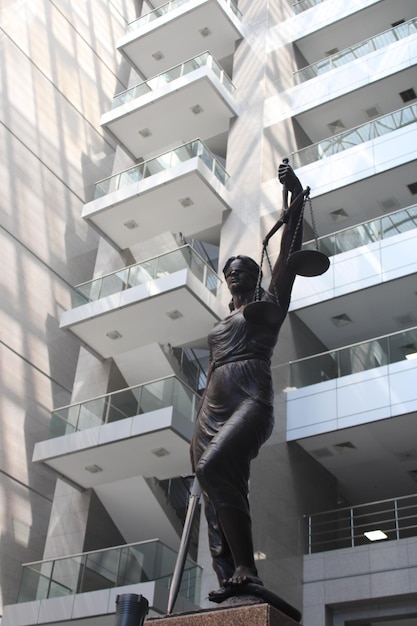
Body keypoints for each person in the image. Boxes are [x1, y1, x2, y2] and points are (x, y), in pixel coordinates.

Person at [190, 161, 306, 596]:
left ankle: (246, 567)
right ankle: (237, 573)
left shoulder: (265, 310)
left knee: (215, 466)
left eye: (244, 268)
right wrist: (198, 421)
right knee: (215, 482)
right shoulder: (226, 318)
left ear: (257, 276)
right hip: (212, 406)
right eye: (230, 270)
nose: (235, 272)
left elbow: (290, 259)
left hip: (251, 399)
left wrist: (294, 200)